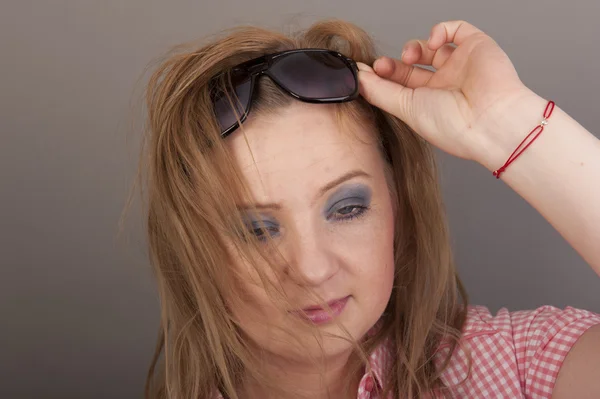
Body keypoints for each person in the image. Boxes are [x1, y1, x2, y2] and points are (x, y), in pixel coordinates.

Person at [139, 19, 600, 398]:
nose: (313, 268)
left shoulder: (519, 369)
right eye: (257, 229)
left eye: (347, 208)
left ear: (396, 201)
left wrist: (507, 124)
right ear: (193, 245)